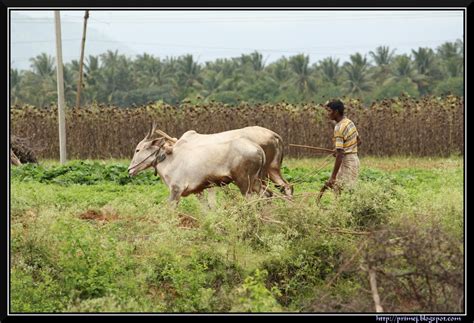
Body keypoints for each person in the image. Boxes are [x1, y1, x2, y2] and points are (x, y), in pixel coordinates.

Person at [324, 99, 361, 193]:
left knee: (347, 192)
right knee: (339, 190)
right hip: (354, 159)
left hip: (347, 162)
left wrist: (333, 177)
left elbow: (340, 154)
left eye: (329, 111)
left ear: (336, 112)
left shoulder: (339, 127)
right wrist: (340, 149)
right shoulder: (349, 122)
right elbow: (359, 141)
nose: (328, 113)